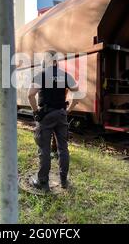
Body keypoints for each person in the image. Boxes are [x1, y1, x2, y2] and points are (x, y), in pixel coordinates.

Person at [27, 51, 79, 192]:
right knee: (63, 148)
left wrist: (35, 111)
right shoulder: (65, 75)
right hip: (61, 114)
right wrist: (69, 110)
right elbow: (78, 93)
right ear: (57, 62)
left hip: (46, 115)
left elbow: (30, 95)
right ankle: (63, 180)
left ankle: (43, 182)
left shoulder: (41, 75)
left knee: (44, 149)